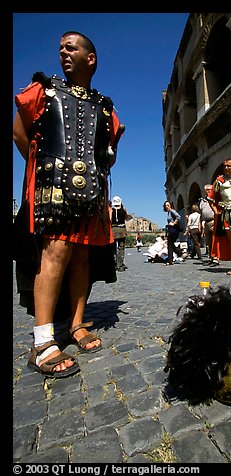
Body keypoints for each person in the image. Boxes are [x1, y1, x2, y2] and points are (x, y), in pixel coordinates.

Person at [13, 31, 124, 378]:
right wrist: (44, 171)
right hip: (53, 188)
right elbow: (20, 133)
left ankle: (76, 324)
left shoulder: (105, 106)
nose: (62, 51)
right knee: (55, 254)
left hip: (91, 190)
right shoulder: (43, 90)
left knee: (81, 257)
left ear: (90, 58)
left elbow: (109, 151)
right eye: (60, 48)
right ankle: (43, 341)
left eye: (70, 47)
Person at [198, 184, 219, 265]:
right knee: (208, 242)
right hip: (206, 223)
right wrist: (200, 225)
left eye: (210, 189)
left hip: (214, 221)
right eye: (207, 189)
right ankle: (211, 257)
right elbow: (200, 214)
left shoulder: (215, 199)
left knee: (215, 241)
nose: (209, 191)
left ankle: (216, 259)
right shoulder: (202, 201)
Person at [110, 196, 128, 271]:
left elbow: (110, 220)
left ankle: (114, 264)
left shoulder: (111, 210)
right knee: (121, 248)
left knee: (113, 248)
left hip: (114, 229)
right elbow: (126, 217)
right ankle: (120, 265)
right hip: (122, 230)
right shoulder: (123, 209)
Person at [163, 201, 183, 266]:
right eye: (166, 205)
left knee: (170, 245)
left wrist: (174, 223)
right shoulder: (169, 213)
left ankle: (170, 260)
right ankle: (180, 253)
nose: (167, 206)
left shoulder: (172, 211)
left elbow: (178, 217)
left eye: (168, 205)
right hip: (171, 229)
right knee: (171, 245)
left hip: (173, 229)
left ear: (170, 205)